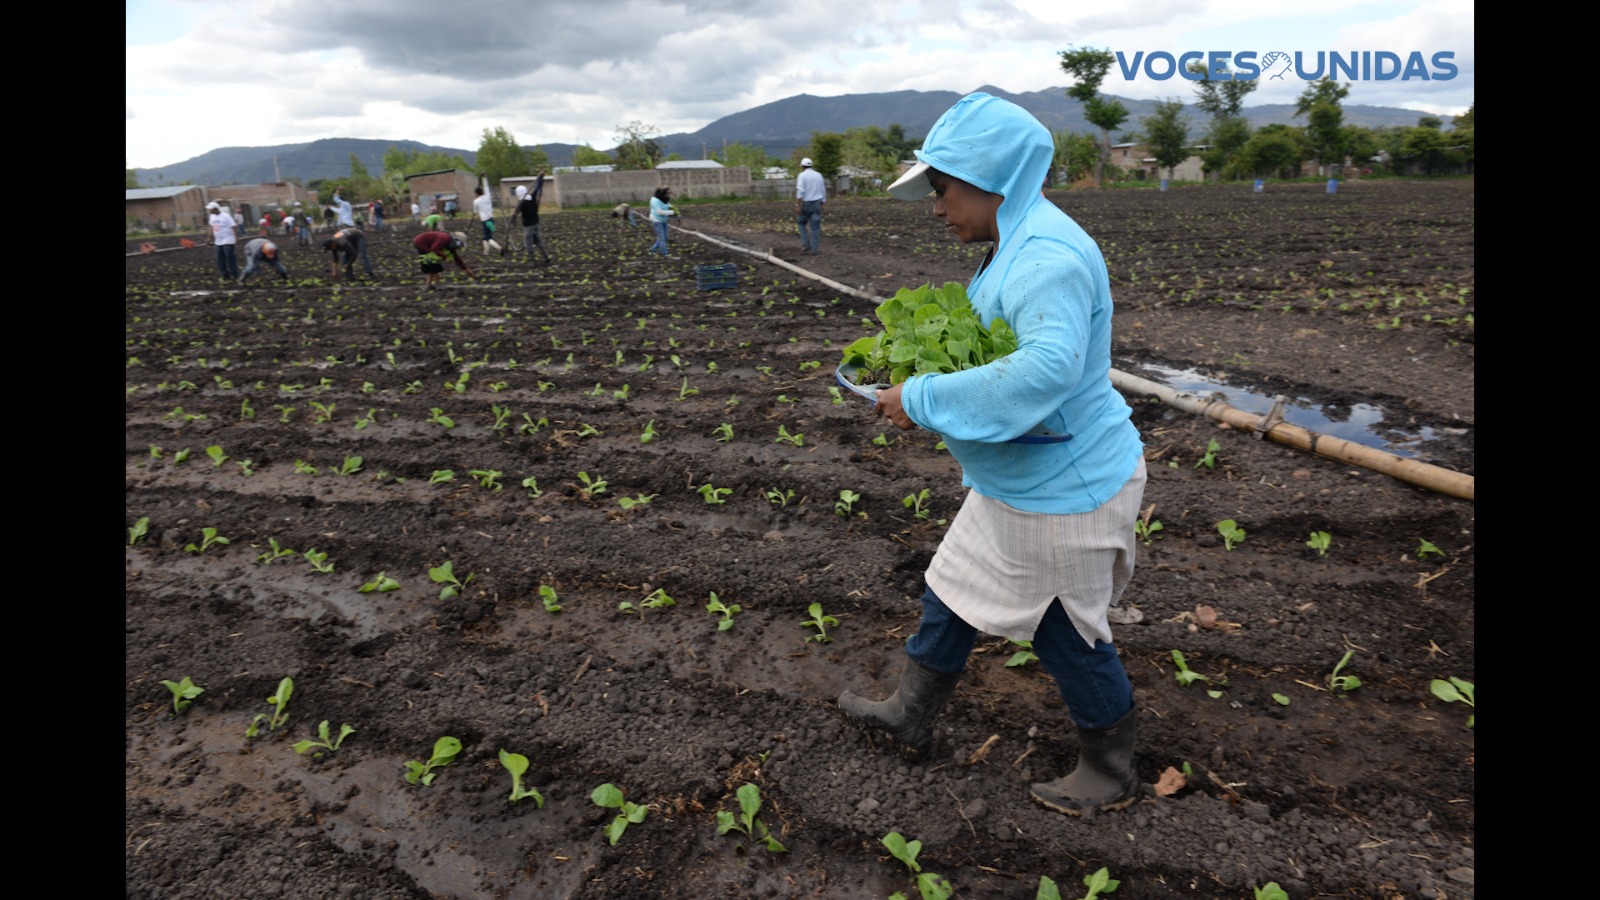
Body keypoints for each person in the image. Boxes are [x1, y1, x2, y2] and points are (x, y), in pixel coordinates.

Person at [836, 92, 1149, 817]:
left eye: (942, 189)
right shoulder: (1016, 241)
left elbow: (1042, 372)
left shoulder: (1047, 257)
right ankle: (910, 713)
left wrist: (919, 398)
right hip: (1020, 475)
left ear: (992, 178)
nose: (937, 207)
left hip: (1063, 486)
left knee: (1064, 629)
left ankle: (1110, 770)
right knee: (950, 587)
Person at [330, 189, 374, 274]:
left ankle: (366, 271)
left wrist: (337, 191)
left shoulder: (346, 204)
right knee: (347, 251)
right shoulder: (342, 208)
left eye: (339, 202)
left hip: (348, 228)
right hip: (344, 227)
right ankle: (349, 272)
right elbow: (336, 210)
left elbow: (336, 199)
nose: (338, 203)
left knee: (351, 251)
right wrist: (330, 207)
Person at [516, 174, 552, 265]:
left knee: (529, 243)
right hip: (536, 223)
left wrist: (514, 215)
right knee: (539, 241)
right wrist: (540, 179)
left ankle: (532, 261)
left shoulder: (522, 203)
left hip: (528, 226)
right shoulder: (532, 197)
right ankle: (546, 257)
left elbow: (516, 213)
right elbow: (537, 188)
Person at [795, 156, 826, 255]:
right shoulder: (819, 175)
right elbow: (822, 189)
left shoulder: (802, 176)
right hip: (817, 203)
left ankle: (806, 244)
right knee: (815, 227)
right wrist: (822, 202)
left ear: (802, 166)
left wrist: (798, 205)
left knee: (801, 223)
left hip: (806, 204)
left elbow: (800, 191)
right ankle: (815, 250)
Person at [207, 201, 240, 281]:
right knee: (220, 258)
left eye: (211, 209)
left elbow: (233, 226)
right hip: (218, 241)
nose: (210, 210)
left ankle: (234, 274)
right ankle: (224, 275)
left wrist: (236, 238)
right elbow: (211, 227)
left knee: (229, 256)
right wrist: (209, 237)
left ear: (216, 208)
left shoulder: (225, 216)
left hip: (228, 239)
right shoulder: (212, 217)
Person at [473, 186, 504, 256]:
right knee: (486, 236)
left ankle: (499, 248)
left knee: (488, 238)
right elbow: (486, 187)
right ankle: (486, 252)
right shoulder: (487, 197)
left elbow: (475, 211)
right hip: (491, 219)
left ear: (476, 193)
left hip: (485, 221)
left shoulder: (476, 201)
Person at [647, 186, 676, 257]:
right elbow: (659, 211)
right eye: (667, 193)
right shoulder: (655, 200)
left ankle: (652, 249)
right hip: (656, 220)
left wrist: (674, 209)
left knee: (664, 237)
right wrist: (672, 212)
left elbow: (667, 205)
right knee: (662, 238)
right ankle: (665, 253)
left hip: (663, 220)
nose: (669, 195)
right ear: (663, 193)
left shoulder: (664, 198)